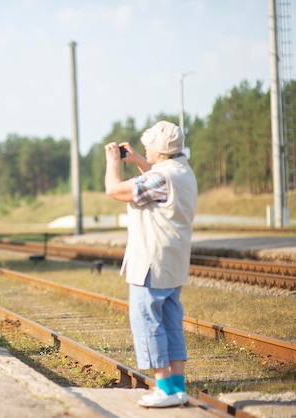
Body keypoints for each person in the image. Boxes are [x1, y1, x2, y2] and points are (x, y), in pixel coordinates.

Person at [104, 120, 197, 408]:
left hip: (150, 262)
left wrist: (113, 163)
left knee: (148, 322)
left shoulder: (159, 178)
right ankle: (177, 388)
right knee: (170, 323)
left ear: (159, 151)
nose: (145, 151)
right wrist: (140, 160)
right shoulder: (183, 172)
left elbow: (115, 190)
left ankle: (163, 388)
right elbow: (158, 179)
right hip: (173, 262)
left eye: (148, 149)